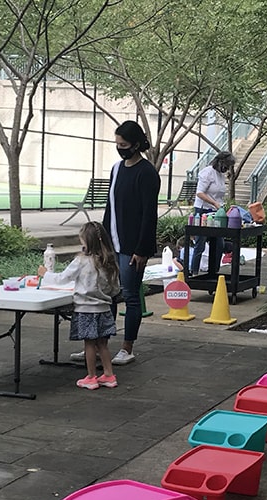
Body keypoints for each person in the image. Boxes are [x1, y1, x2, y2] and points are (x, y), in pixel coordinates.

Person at [101, 120, 160, 365]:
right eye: (117, 144)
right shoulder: (116, 169)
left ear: (136, 145)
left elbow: (149, 215)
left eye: (123, 145)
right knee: (107, 295)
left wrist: (142, 249)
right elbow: (110, 207)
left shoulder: (147, 173)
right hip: (112, 243)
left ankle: (127, 347)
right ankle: (99, 344)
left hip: (132, 247)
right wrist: (101, 242)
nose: (120, 148)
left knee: (130, 294)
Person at [39, 222, 120, 390]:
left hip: (85, 310)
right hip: (104, 309)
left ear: (86, 242)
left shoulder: (81, 261)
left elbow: (62, 278)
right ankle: (109, 375)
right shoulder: (109, 262)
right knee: (103, 344)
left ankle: (91, 377)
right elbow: (115, 288)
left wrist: (45, 274)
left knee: (89, 344)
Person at [190, 151, 235, 274]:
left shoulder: (220, 175)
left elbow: (219, 194)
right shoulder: (207, 172)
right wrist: (214, 203)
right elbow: (200, 192)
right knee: (200, 243)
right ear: (220, 162)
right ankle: (194, 271)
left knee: (219, 244)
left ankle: (214, 272)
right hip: (203, 210)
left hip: (216, 212)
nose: (227, 169)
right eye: (226, 165)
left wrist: (221, 205)